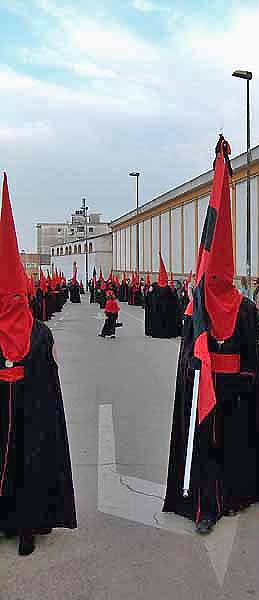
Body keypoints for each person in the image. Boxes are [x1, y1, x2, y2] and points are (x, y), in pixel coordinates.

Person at [163, 136, 259, 535]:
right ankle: (206, 503)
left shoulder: (244, 308)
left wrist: (243, 382)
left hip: (236, 391)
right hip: (206, 388)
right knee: (208, 451)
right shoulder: (197, 306)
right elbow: (187, 354)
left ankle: (235, 495)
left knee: (235, 448)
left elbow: (252, 356)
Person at [0, 173, 77, 556]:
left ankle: (27, 526)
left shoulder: (40, 333)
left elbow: (50, 381)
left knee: (27, 468)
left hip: (30, 417)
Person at [144, 254, 179, 338]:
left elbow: (148, 297)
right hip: (166, 312)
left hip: (157, 311)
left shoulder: (155, 287)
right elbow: (175, 301)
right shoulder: (168, 289)